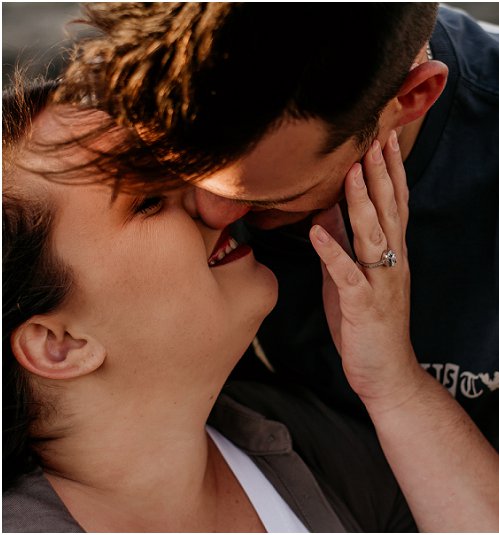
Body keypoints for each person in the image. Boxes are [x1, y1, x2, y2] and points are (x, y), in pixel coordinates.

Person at [56, 3, 499, 530]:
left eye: (265, 200)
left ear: (413, 98)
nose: (202, 215)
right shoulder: (125, 89)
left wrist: (395, 380)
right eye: (162, 176)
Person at [0, 78, 409, 532]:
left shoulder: (299, 439)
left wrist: (392, 384)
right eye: (148, 202)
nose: (216, 205)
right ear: (60, 345)